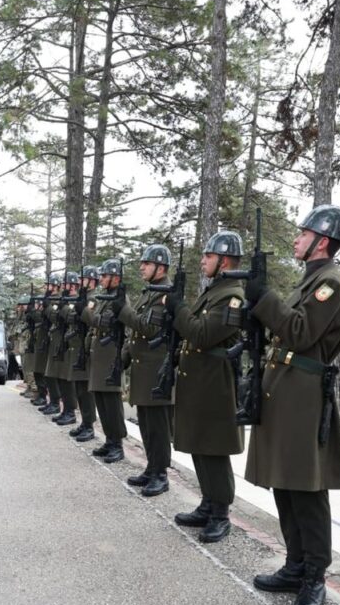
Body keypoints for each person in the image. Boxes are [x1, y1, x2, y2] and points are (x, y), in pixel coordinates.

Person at [245, 205, 340, 605]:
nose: (296, 239)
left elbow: (300, 332)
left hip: (304, 394)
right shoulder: (310, 281)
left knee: (307, 491)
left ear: (321, 241)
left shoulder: (329, 284)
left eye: (302, 233)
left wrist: (265, 298)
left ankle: (314, 576)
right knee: (285, 486)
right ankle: (295, 565)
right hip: (285, 390)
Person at [164, 231, 244, 544]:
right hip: (200, 380)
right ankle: (208, 503)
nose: (202, 261)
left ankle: (221, 513)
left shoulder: (232, 296)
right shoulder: (215, 292)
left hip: (216, 383)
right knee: (200, 444)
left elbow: (201, 335)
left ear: (224, 261)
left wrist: (179, 308)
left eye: (208, 257)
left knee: (214, 449)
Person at [116, 244, 175, 497]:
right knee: (146, 424)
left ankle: (161, 474)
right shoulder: (149, 293)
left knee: (158, 427)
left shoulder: (165, 295)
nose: (141, 267)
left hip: (156, 370)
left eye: (147, 263)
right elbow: (137, 334)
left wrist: (124, 311)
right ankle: (152, 468)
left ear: (160, 267)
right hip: (143, 369)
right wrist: (125, 357)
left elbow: (149, 329)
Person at [81, 259, 128, 462]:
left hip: (111, 357)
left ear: (115, 278)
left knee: (112, 403)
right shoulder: (106, 298)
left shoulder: (119, 299)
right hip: (100, 357)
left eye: (105, 276)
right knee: (101, 400)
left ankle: (117, 444)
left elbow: (103, 322)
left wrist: (85, 311)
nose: (101, 279)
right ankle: (109, 441)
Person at [65, 267, 99, 441]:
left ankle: (89, 425)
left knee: (85, 390)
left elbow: (91, 319)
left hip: (86, 349)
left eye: (83, 279)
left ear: (92, 281)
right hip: (78, 347)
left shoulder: (93, 298)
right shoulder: (83, 298)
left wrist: (81, 310)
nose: (79, 282)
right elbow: (72, 317)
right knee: (79, 387)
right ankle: (85, 423)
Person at [47, 272, 80, 426]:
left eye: (66, 284)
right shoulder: (64, 300)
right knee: (61, 378)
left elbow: (71, 317)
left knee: (67, 380)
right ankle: (65, 410)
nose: (63, 287)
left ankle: (70, 411)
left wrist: (62, 307)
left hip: (71, 344)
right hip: (61, 342)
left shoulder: (76, 300)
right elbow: (54, 318)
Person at [33, 275, 60, 412]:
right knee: (43, 370)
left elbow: (55, 317)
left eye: (47, 285)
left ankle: (54, 401)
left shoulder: (57, 300)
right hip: (44, 337)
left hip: (53, 339)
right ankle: (47, 398)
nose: (45, 288)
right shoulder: (48, 300)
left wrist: (46, 306)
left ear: (55, 286)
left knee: (51, 373)